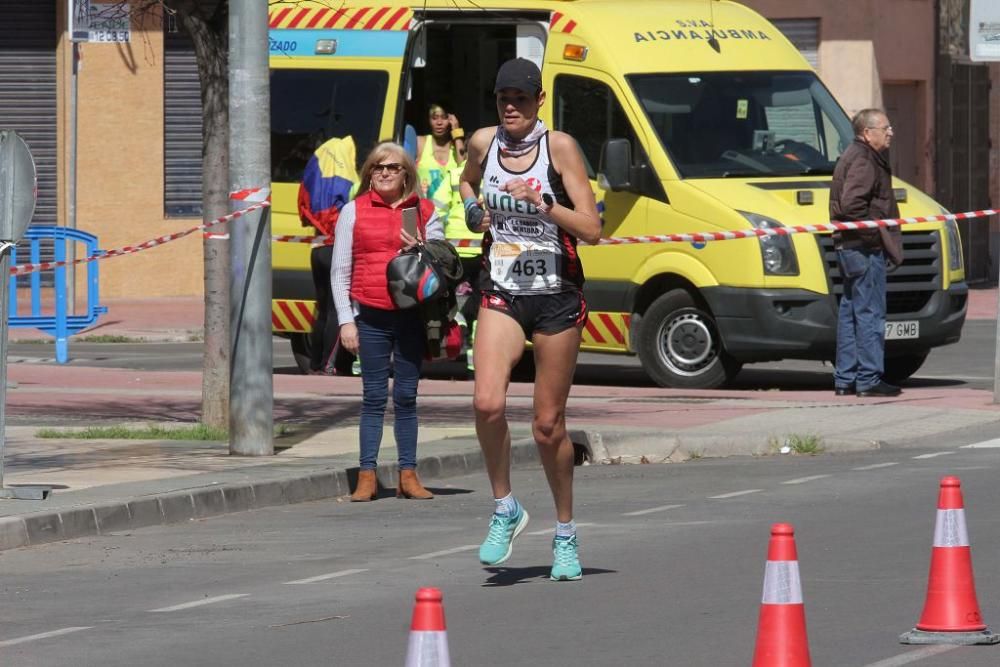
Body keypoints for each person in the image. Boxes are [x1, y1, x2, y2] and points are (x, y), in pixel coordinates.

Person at [459, 58, 602, 581]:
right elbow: (466, 183)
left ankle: (565, 532)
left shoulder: (558, 147)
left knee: (546, 427)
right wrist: (475, 208)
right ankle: (505, 508)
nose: (511, 107)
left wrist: (544, 205)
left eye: (521, 97)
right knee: (487, 403)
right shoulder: (483, 142)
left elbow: (592, 228)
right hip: (502, 287)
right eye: (503, 99)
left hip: (557, 295)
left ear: (539, 100)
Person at [332, 141, 444, 501]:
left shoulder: (424, 211)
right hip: (371, 315)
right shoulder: (353, 211)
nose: (383, 173)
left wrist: (422, 249)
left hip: (411, 316)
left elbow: (443, 266)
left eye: (392, 167)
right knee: (374, 397)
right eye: (377, 167)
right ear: (368, 174)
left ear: (406, 173)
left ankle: (408, 475)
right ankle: (367, 476)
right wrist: (346, 321)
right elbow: (339, 272)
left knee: (408, 397)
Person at [830, 108, 904, 398]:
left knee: (850, 312)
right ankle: (869, 379)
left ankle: (845, 379)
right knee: (871, 312)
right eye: (884, 127)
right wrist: (876, 237)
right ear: (866, 133)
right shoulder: (863, 159)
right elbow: (852, 206)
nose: (890, 132)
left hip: (850, 246)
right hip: (862, 247)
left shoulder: (857, 155)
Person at [416, 105, 481, 366]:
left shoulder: (456, 173)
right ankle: (476, 354)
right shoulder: (496, 176)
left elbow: (438, 209)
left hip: (455, 247)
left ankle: (460, 316)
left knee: (447, 290)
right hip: (484, 249)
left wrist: (433, 238)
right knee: (486, 297)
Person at [298, 136, 358, 375]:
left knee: (322, 309)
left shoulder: (318, 167)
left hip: (318, 247)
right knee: (337, 308)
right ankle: (330, 364)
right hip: (336, 247)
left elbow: (303, 206)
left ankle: (315, 362)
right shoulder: (346, 177)